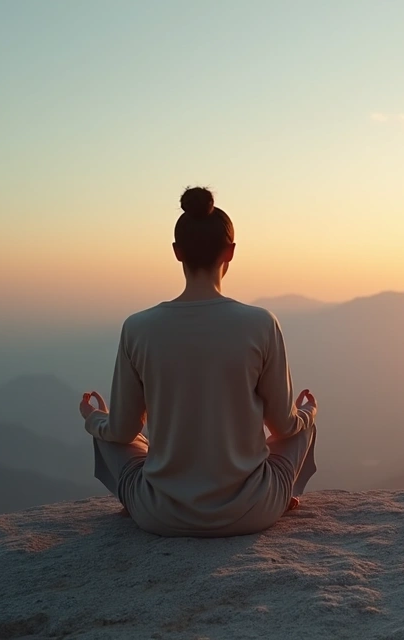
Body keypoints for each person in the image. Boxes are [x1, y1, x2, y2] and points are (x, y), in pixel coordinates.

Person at [78, 186, 317, 537]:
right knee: (303, 427)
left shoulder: (138, 327)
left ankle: (140, 497)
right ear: (231, 252)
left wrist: (94, 419)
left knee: (112, 439)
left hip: (158, 513)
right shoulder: (261, 323)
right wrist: (308, 412)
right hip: (252, 510)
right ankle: (284, 496)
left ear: (177, 252)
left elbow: (123, 431)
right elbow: (283, 427)